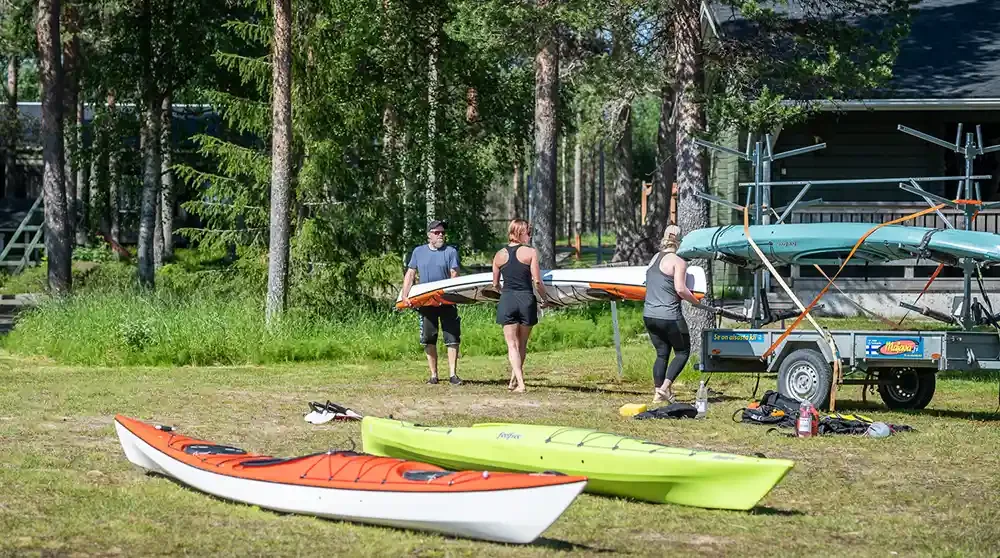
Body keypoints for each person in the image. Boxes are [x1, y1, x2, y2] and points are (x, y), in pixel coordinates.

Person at [643, 224, 701, 404]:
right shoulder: (679, 262)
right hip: (669, 316)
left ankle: (657, 394)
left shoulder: (654, 258)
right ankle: (664, 389)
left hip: (649, 315)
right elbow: (680, 289)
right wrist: (696, 302)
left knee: (662, 354)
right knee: (683, 352)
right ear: (679, 241)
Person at [401, 220, 463, 385]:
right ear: (429, 235)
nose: (441, 235)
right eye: (437, 232)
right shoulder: (418, 252)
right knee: (429, 338)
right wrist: (406, 296)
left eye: (442, 232)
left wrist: (449, 296)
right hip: (426, 302)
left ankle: (453, 374)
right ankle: (434, 375)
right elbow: (410, 274)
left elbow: (454, 275)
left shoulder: (450, 252)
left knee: (452, 337)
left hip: (447, 301)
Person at [491, 219, 543, 393]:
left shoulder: (499, 255)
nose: (529, 235)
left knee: (512, 345)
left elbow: (495, 284)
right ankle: (520, 383)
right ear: (520, 232)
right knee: (522, 344)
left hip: (508, 300)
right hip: (526, 299)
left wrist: (503, 292)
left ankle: (515, 380)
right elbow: (537, 281)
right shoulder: (530, 253)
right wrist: (544, 298)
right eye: (528, 232)